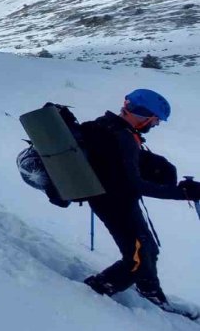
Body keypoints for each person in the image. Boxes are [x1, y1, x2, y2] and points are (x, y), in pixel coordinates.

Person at [80, 89, 200, 307]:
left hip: (114, 199)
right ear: (144, 115)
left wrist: (159, 167)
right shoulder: (121, 135)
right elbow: (133, 183)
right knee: (138, 259)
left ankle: (150, 292)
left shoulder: (107, 125)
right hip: (114, 203)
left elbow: (117, 164)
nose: (155, 125)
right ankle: (92, 292)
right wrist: (182, 193)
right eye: (155, 120)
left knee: (148, 249)